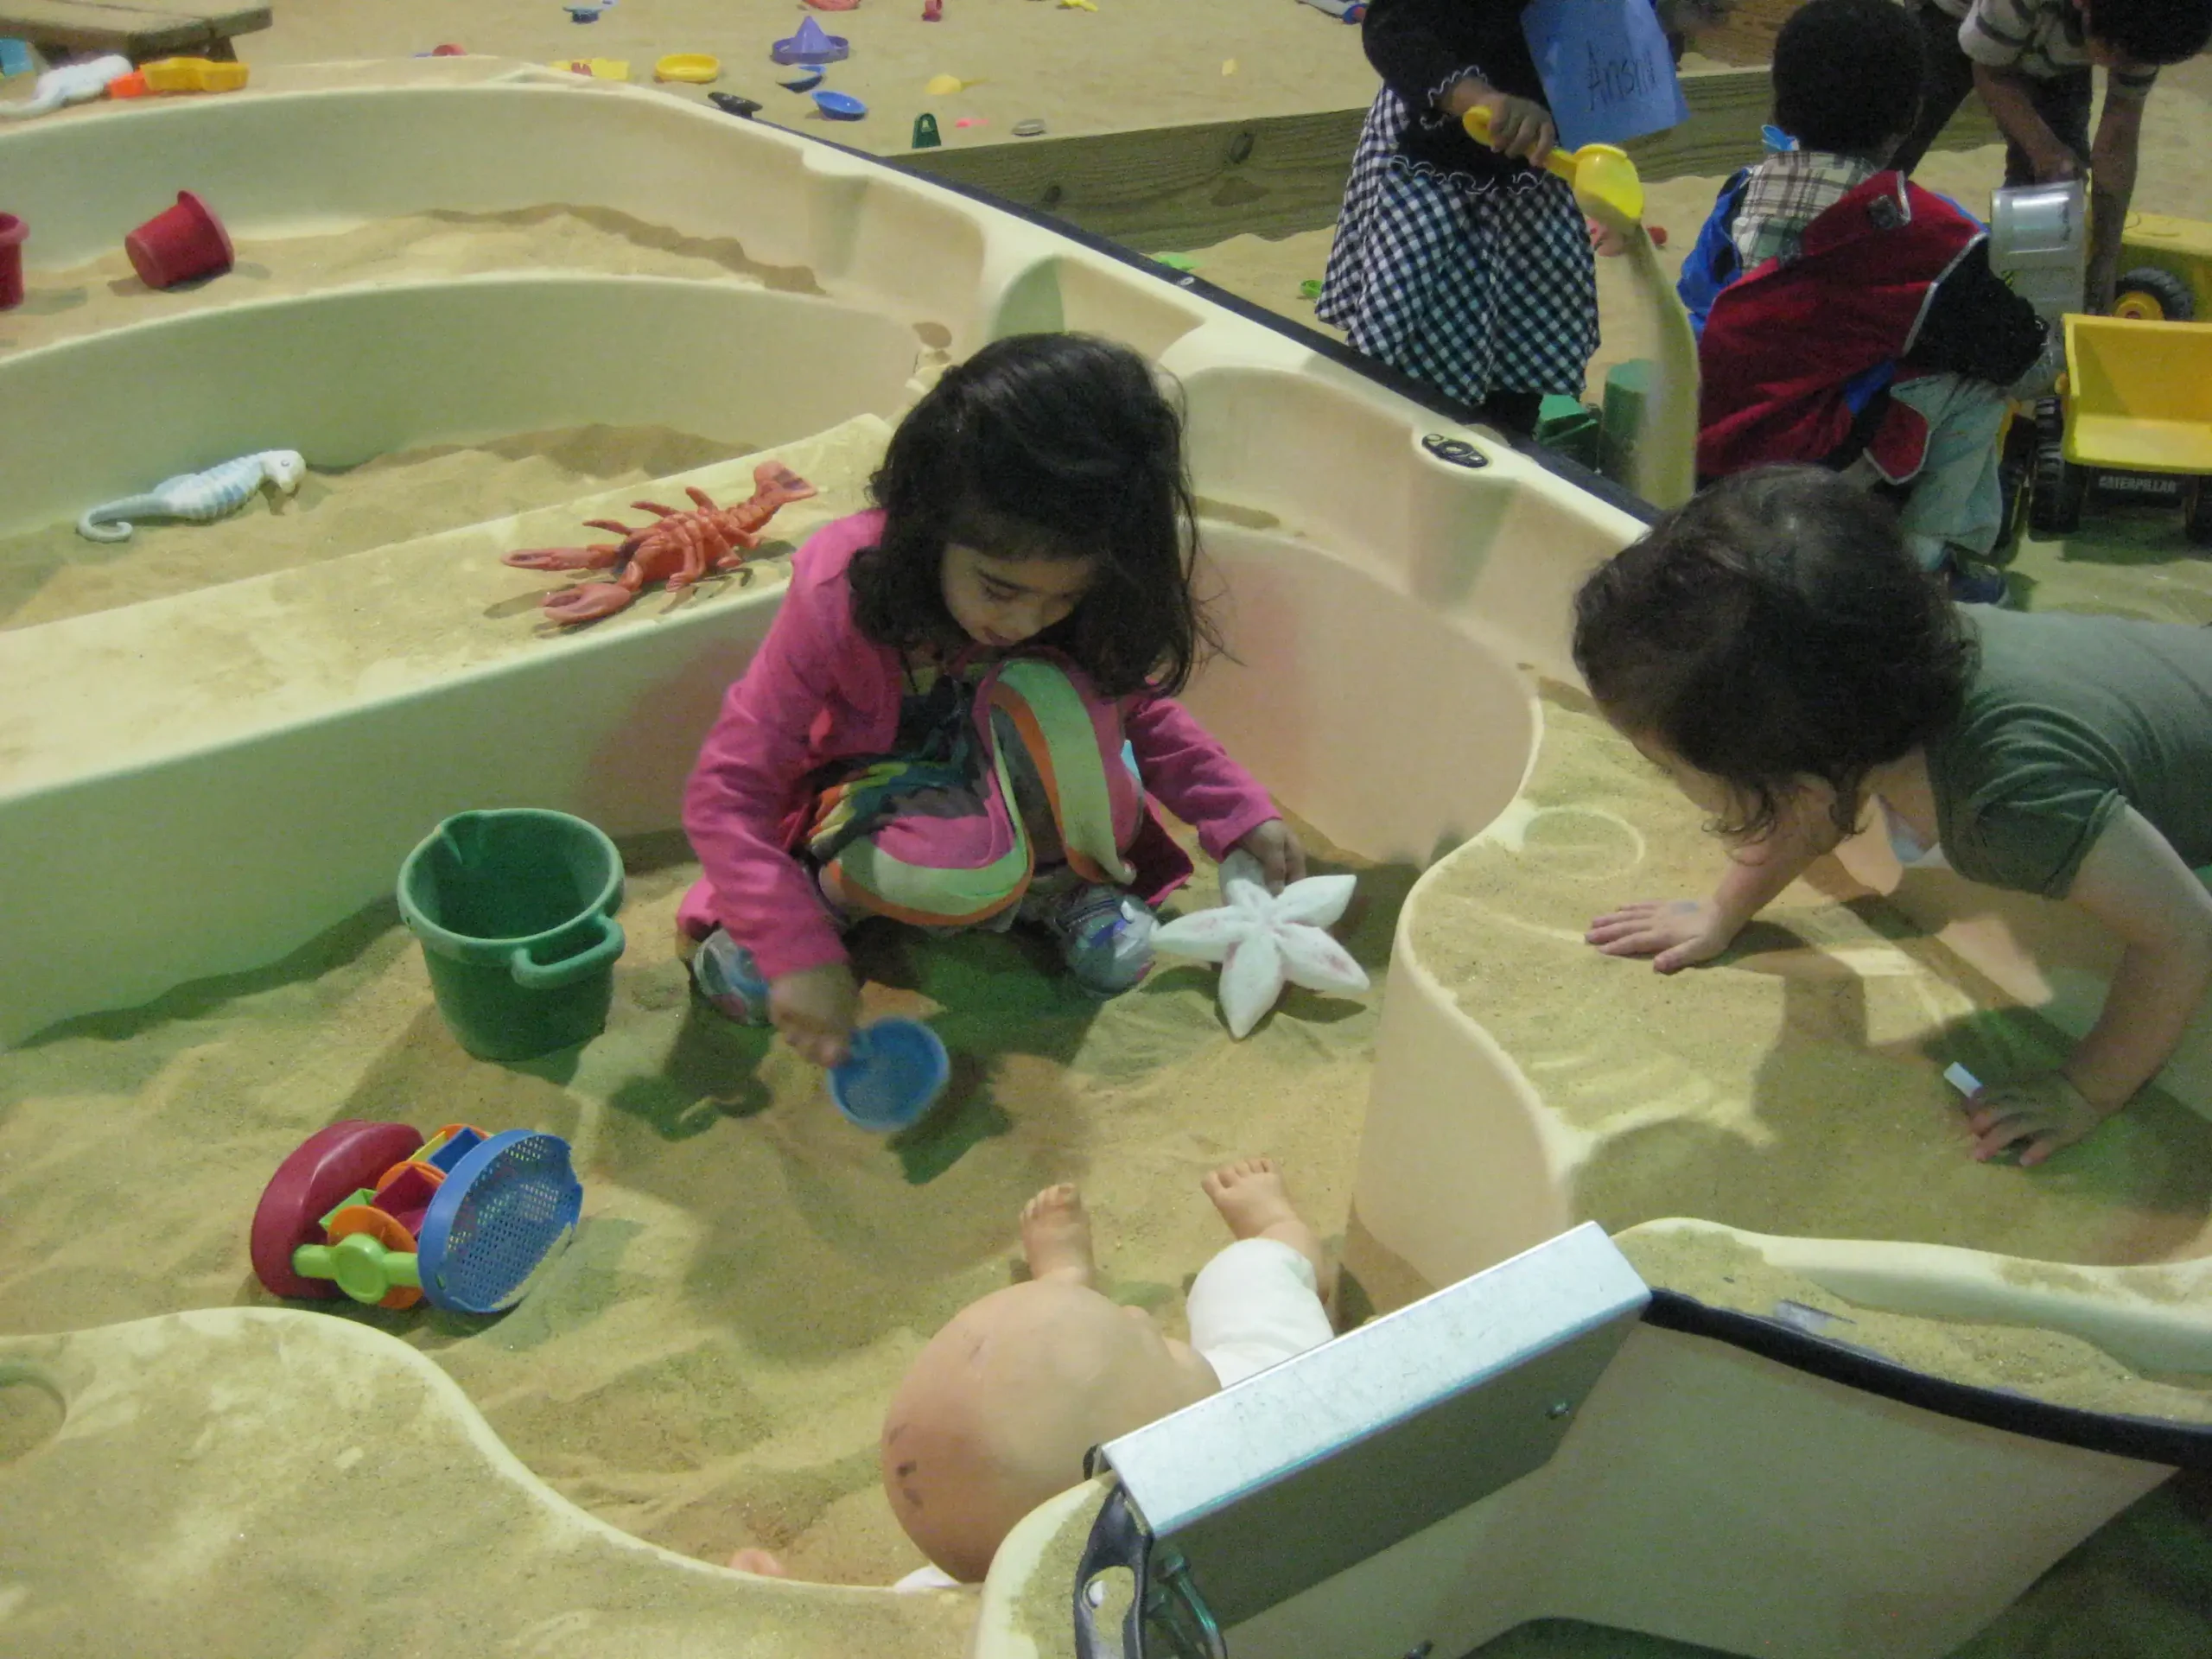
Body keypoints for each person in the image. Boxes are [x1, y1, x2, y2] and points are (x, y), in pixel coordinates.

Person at [679, 334, 1304, 1069]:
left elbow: (1139, 711)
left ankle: (1063, 892)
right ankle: (826, 895)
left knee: (1062, 696)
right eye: (999, 588)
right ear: (932, 521)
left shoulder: (1086, 596)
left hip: (1033, 794)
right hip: (885, 799)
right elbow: (731, 784)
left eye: (1065, 596)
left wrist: (1237, 810)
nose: (1023, 621)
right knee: (949, 864)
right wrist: (790, 943)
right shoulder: (843, 586)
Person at [1573, 467, 2212, 1166]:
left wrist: (2086, 1091)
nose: (1663, 777)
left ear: (1786, 772)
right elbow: (1812, 799)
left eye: (1667, 766)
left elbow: (2182, 932)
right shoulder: (1891, 669)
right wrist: (1723, 912)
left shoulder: (2011, 800)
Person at [1688, 0, 2050, 605]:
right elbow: (2030, 368)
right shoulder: (1927, 236)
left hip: (1708, 446)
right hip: (1813, 461)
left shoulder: (1738, 194)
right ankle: (1921, 569)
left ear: (1779, 102)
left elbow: (1697, 309)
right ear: (1910, 115)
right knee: (1980, 385)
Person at [872, 1160, 1334, 1586]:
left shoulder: (983, 1589)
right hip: (1248, 1385)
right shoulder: (1278, 1400)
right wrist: (1277, 1235)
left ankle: (1063, 1281)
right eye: (1150, 1342)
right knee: (1248, 1276)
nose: (1138, 1313)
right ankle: (1276, 1227)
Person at [1316, 0, 1601, 437]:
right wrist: (1482, 100)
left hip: (1538, 176)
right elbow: (1394, 28)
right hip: (1437, 170)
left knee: (1517, 367)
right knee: (1409, 383)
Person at [1890, 0, 2212, 313]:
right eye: (2113, 53)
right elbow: (1989, 69)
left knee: (2055, 187)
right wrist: (2042, 147)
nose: (2116, 66)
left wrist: (2105, 258)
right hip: (1951, 15)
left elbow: (2119, 135)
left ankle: (2020, 307)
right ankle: (1862, 241)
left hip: (2063, 25)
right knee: (1903, 128)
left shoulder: (2149, 20)